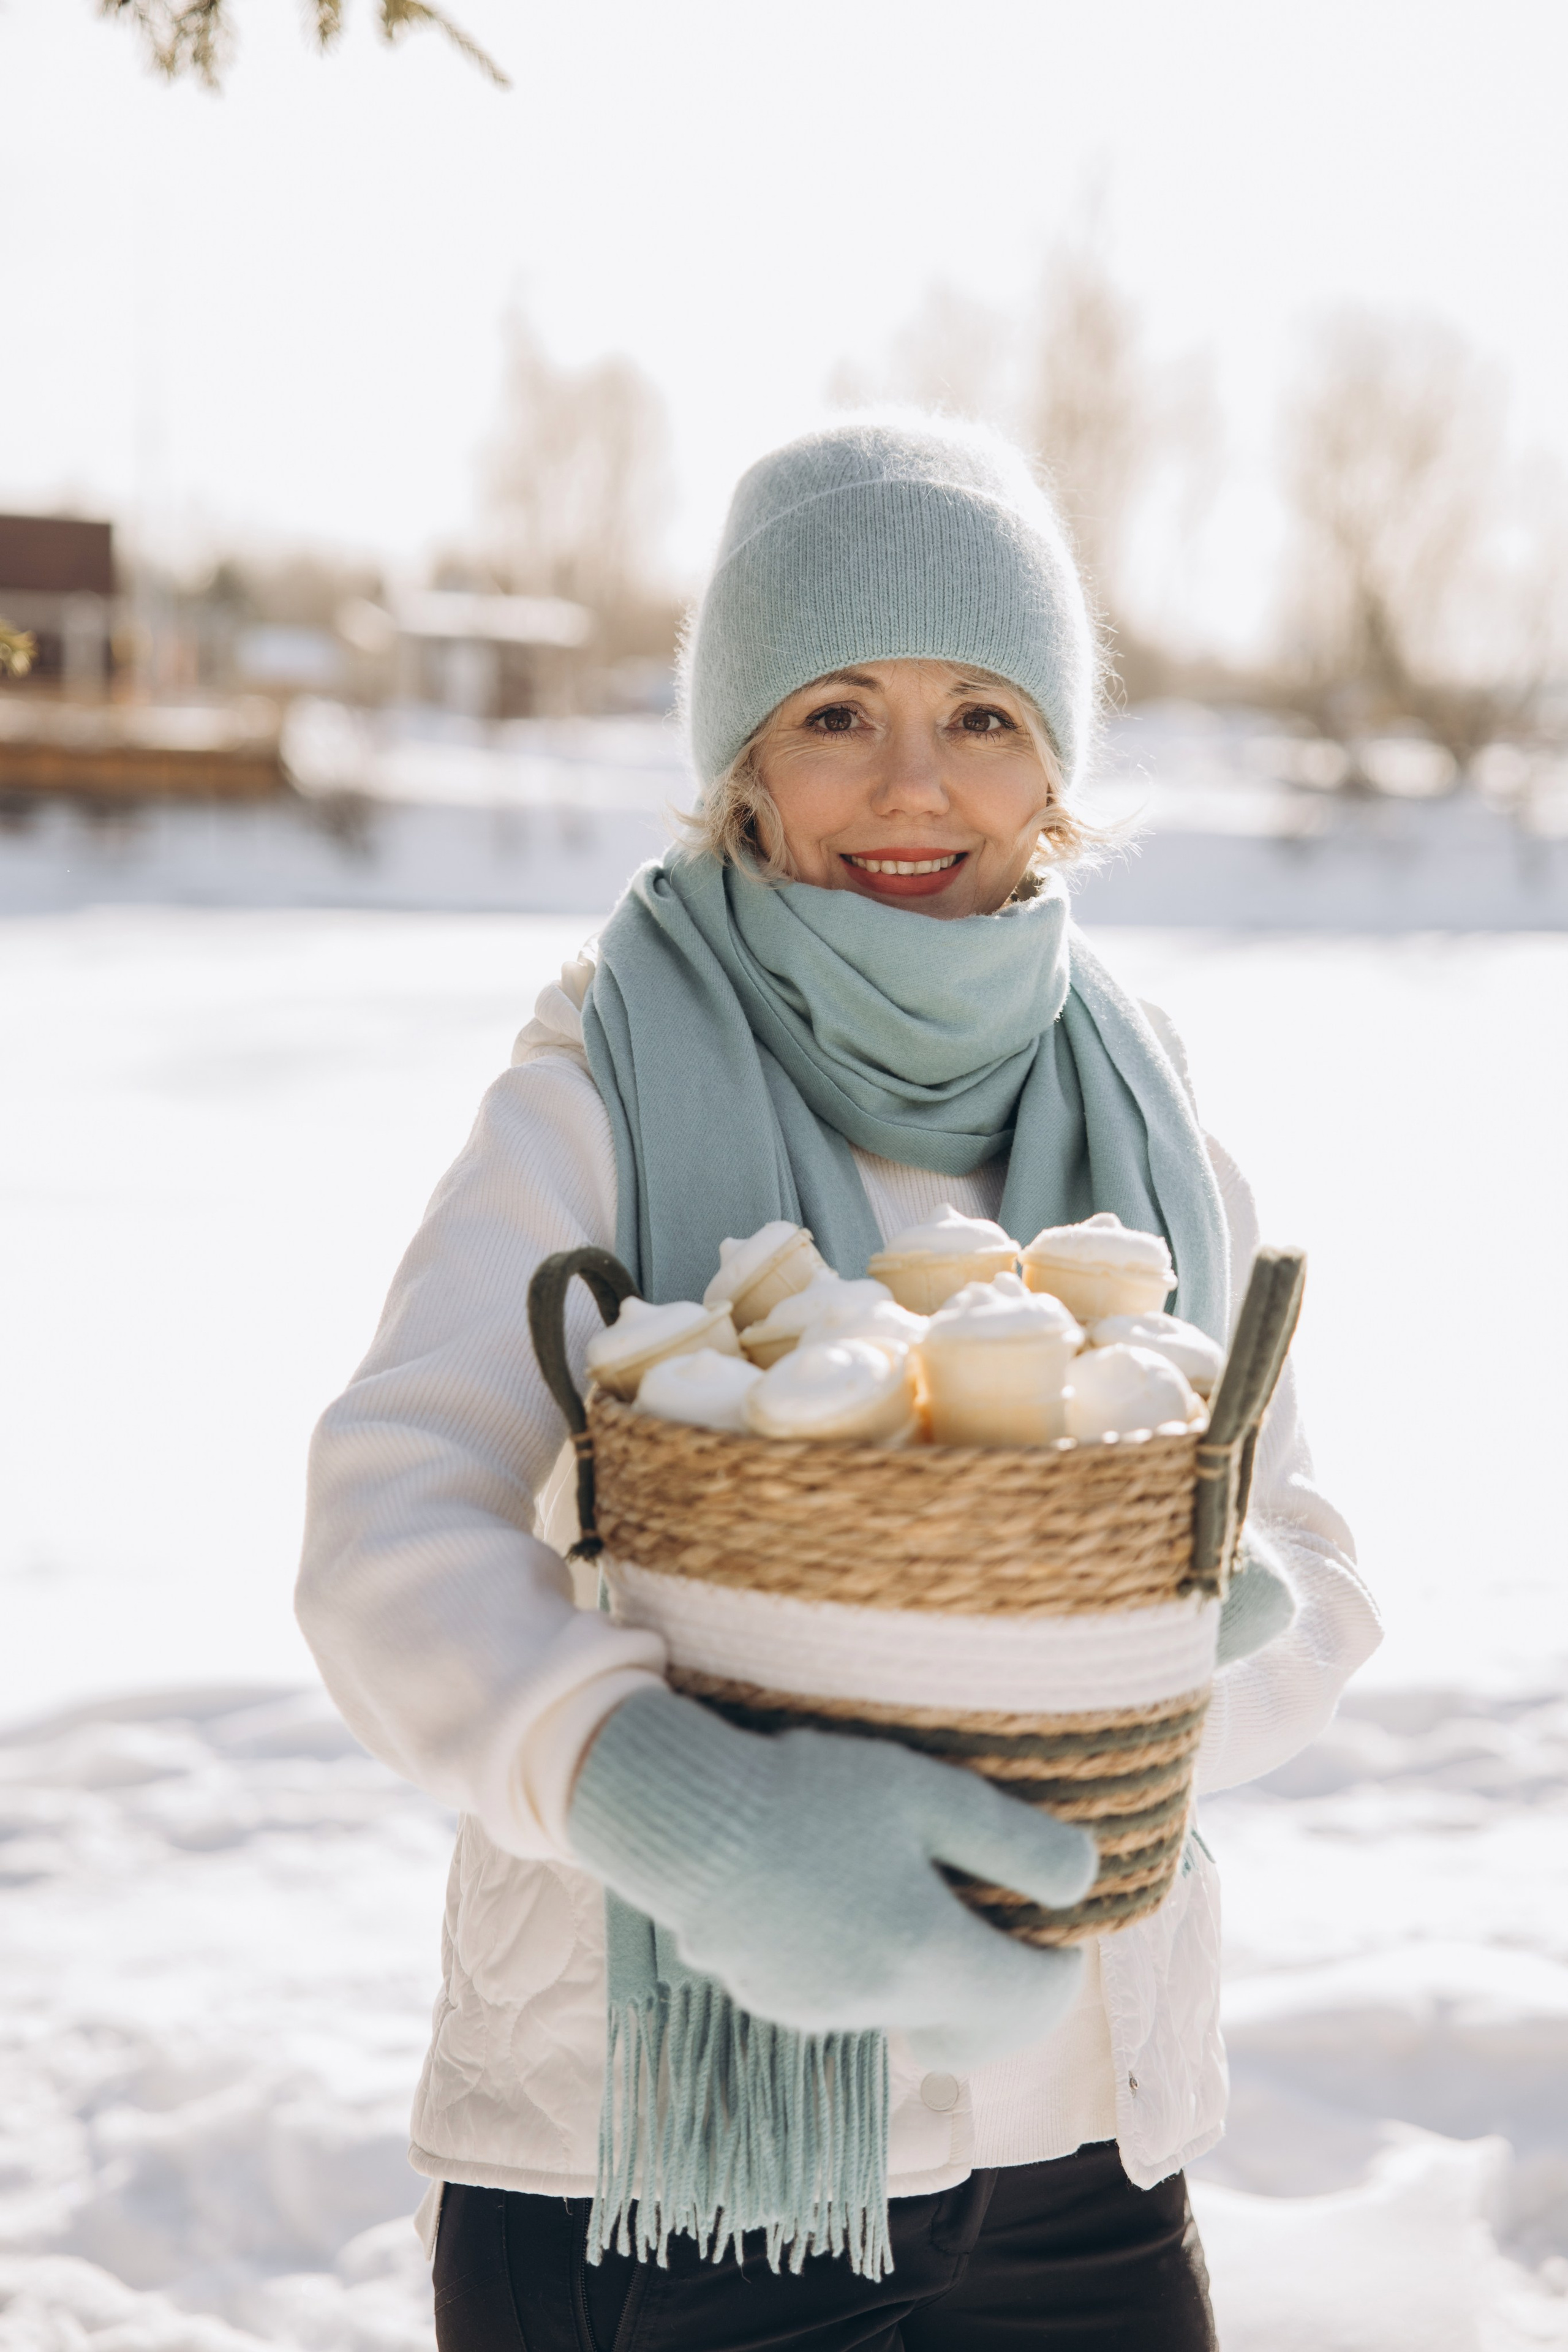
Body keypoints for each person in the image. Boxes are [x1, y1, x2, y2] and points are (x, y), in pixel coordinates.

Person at [296, 414, 1380, 2352]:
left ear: (1055, 761)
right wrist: (683, 1813)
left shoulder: (1140, 1098)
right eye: (834, 712)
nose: (912, 786)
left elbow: (1297, 1541)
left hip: (1081, 2168)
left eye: (980, 713)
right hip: (671, 2185)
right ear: (743, 757)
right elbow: (390, 1528)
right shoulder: (605, 1084)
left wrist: (1154, 1677)